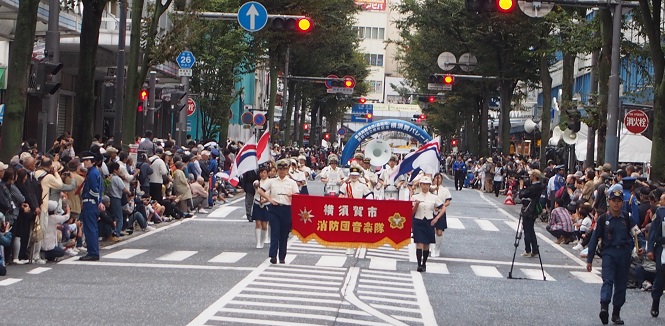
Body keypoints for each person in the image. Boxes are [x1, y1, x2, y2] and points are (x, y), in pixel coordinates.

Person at [586, 189, 645, 325]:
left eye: (619, 201)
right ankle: (604, 308)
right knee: (608, 280)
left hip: (624, 254)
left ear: (622, 203)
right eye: (614, 201)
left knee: (621, 284)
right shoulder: (603, 219)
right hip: (609, 253)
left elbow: (637, 235)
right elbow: (594, 240)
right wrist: (589, 260)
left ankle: (616, 313)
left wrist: (640, 247)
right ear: (609, 202)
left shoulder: (627, 218)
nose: (616, 204)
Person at [255, 159, 299, 264]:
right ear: (277, 170)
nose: (282, 171)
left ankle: (282, 256)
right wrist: (269, 199)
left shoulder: (292, 182)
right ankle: (273, 255)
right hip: (274, 208)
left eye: (284, 169)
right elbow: (260, 190)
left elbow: (298, 196)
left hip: (286, 209)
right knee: (275, 231)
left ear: (288, 169)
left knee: (284, 234)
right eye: (280, 169)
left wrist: (292, 196)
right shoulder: (272, 181)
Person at [411, 176, 444, 272]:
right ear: (420, 185)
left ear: (429, 186)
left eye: (427, 185)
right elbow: (412, 212)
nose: (425, 186)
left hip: (429, 221)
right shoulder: (415, 196)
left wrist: (436, 218)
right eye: (423, 184)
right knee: (419, 244)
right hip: (418, 221)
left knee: (426, 244)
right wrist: (416, 205)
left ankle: (424, 263)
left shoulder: (434, 197)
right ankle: (418, 264)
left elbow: (443, 208)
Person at [78, 151, 105, 261]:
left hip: (90, 202)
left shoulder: (92, 174)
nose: (85, 163)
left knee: (90, 228)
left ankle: (92, 252)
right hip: (92, 202)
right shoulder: (96, 172)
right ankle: (92, 251)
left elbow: (94, 190)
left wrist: (97, 201)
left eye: (87, 161)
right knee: (91, 228)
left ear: (93, 162)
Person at [518, 169, 545, 258]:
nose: (529, 177)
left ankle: (528, 250)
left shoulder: (534, 187)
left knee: (527, 229)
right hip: (533, 209)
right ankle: (535, 249)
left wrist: (521, 187)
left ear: (534, 176)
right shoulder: (539, 186)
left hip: (529, 210)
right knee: (531, 230)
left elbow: (522, 194)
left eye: (530, 176)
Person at [647, 204, 665, 318]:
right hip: (662, 247)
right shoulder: (660, 212)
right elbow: (653, 231)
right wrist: (650, 249)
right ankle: (656, 301)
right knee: (661, 274)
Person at [430, 173, 451, 258]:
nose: (438, 180)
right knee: (431, 230)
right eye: (436, 178)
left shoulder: (445, 190)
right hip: (431, 211)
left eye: (439, 178)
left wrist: (442, 206)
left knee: (439, 232)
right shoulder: (430, 189)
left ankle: (437, 248)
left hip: (440, 211)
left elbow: (448, 201)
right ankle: (432, 247)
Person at [251, 167, 270, 249]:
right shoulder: (257, 182)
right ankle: (258, 242)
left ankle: (263, 240)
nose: (263, 174)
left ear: (267, 173)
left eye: (264, 172)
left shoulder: (271, 182)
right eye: (261, 173)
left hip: (266, 204)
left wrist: (265, 200)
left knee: (264, 225)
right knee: (258, 223)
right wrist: (257, 185)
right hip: (257, 203)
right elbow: (255, 185)